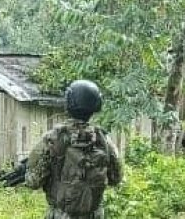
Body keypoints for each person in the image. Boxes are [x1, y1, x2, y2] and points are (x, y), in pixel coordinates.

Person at [24, 79, 123, 219]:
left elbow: (33, 182)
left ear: (69, 104)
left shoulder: (53, 138)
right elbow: (116, 178)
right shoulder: (103, 139)